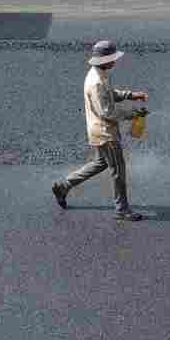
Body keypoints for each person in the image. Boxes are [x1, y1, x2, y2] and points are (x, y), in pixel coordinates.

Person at [52, 40, 150, 222]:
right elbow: (107, 112)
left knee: (100, 163)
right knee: (118, 171)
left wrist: (130, 95)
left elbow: (110, 94)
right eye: (113, 58)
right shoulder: (96, 82)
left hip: (100, 130)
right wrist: (133, 113)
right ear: (104, 59)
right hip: (105, 133)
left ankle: (63, 185)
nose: (115, 61)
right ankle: (122, 210)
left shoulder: (100, 73)